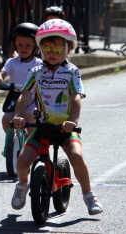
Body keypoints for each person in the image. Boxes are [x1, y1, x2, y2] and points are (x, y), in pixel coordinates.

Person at [10, 19, 103, 215]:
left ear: (68, 49)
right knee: (22, 160)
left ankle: (89, 195)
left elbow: (76, 97)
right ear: (40, 49)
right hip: (41, 126)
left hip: (65, 129)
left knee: (76, 155)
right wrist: (18, 115)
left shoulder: (72, 72)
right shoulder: (36, 71)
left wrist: (73, 122)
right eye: (47, 49)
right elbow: (25, 95)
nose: (52, 54)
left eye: (58, 49)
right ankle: (22, 185)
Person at [0, 22, 42, 133]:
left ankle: (32, 142)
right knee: (6, 120)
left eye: (28, 45)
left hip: (33, 101)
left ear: (35, 46)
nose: (23, 48)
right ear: (15, 44)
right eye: (20, 44)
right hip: (14, 99)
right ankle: (10, 145)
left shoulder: (39, 64)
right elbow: (2, 73)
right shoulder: (12, 62)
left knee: (30, 116)